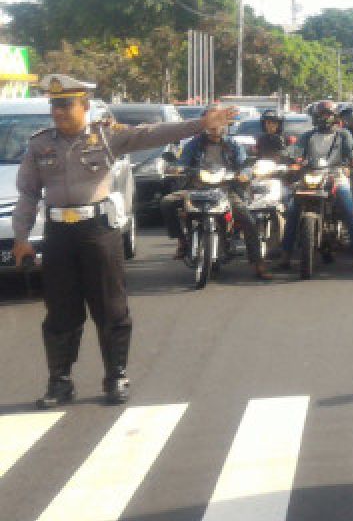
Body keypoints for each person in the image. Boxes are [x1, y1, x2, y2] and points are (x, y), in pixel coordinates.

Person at [13, 74, 236, 408]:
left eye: (65, 104)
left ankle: (115, 376)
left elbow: (152, 133)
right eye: (54, 105)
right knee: (60, 312)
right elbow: (28, 194)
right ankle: (60, 382)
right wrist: (21, 237)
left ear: (84, 106)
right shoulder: (39, 145)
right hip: (59, 236)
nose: (58, 112)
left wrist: (200, 124)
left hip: (97, 233)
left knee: (111, 308)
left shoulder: (106, 137)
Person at [162, 119, 272, 280]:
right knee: (167, 202)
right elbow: (182, 162)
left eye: (219, 127)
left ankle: (258, 263)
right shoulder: (194, 144)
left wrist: (245, 174)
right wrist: (177, 168)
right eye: (213, 127)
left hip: (226, 189)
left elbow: (244, 165)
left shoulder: (232, 144)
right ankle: (181, 241)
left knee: (248, 218)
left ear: (224, 128)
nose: (216, 131)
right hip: (196, 188)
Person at [277, 100, 353, 270]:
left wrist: (352, 161)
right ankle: (285, 255)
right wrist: (288, 157)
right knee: (293, 211)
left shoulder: (343, 135)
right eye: (321, 114)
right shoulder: (308, 136)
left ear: (334, 117)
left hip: (336, 176)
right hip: (310, 176)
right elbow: (294, 150)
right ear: (315, 116)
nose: (325, 117)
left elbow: (352, 154)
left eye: (328, 114)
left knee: (350, 212)